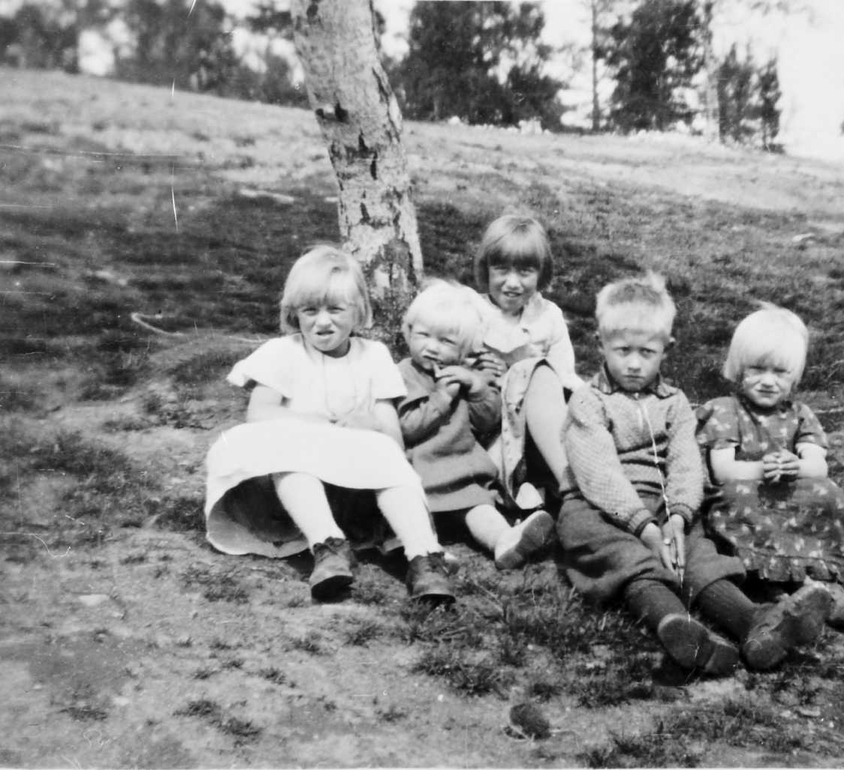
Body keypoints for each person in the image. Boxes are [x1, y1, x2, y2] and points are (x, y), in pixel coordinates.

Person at [556, 274, 833, 676]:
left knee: (699, 554)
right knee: (626, 556)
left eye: (646, 352)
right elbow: (598, 473)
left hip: (661, 504)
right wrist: (645, 528)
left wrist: (677, 516)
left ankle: (754, 623)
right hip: (596, 507)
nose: (633, 363)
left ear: (666, 350)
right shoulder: (589, 401)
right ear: (599, 344)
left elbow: (687, 464)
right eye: (622, 350)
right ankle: (674, 624)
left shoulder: (675, 403)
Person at [203, 245, 455, 603]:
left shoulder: (373, 357)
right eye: (310, 311)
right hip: (289, 496)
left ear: (358, 312)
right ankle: (327, 545)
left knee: (385, 453)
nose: (323, 322)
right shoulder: (284, 352)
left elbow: (393, 438)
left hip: (353, 491)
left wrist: (369, 422)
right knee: (282, 452)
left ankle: (424, 557)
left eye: (335, 310)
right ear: (295, 313)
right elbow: (259, 413)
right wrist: (312, 422)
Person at [695, 304, 844, 625]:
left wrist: (795, 466)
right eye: (757, 369)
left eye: (780, 372)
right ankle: (790, 587)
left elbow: (817, 466)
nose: (767, 381)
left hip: (789, 493)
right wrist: (762, 470)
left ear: (795, 376)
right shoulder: (725, 410)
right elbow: (723, 469)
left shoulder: (799, 414)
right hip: (747, 494)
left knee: (826, 492)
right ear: (738, 369)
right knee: (738, 496)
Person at [396, 280, 556, 569]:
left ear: (465, 348)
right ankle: (427, 554)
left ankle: (505, 541)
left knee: (481, 509)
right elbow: (407, 425)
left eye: (446, 342)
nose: (432, 347)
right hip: (422, 472)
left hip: (464, 474)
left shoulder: (466, 374)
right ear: (408, 332)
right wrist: (442, 398)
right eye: (424, 335)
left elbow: (488, 420)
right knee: (412, 516)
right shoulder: (404, 374)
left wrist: (478, 388)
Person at [469, 214, 584, 513]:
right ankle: (533, 499)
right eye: (502, 270)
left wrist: (529, 369)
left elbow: (565, 378)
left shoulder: (548, 316)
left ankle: (566, 490)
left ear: (541, 273)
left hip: (539, 425)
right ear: (486, 269)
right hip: (490, 425)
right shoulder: (472, 312)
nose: (512, 283)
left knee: (538, 374)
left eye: (524, 271)